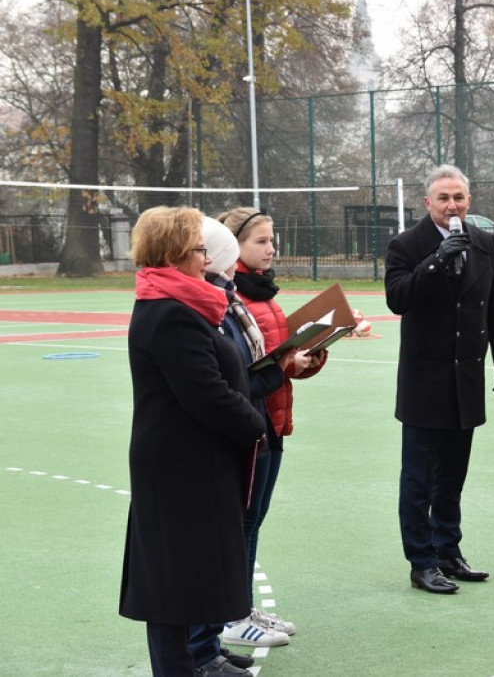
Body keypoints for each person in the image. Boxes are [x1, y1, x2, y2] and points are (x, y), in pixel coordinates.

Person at [119, 206, 266, 677]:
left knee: (186, 577)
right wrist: (255, 424)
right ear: (176, 253)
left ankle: (196, 660)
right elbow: (206, 394)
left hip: (191, 462)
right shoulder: (170, 313)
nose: (207, 260)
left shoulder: (179, 303)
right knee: (170, 586)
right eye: (200, 250)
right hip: (179, 468)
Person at [384, 164, 494, 594]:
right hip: (425, 381)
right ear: (427, 203)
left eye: (458, 197)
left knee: (452, 476)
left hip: (466, 379)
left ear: (469, 200)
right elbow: (397, 298)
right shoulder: (407, 245)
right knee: (419, 478)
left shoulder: (483, 243)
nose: (452, 205)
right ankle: (421, 561)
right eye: (443, 198)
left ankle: (448, 550)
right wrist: (435, 263)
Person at [188, 218, 297, 675]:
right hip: (247, 429)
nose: (270, 249)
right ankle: (214, 634)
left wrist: (295, 360)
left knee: (244, 528)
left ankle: (219, 630)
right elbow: (232, 379)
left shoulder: (241, 300)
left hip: (264, 421)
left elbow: (252, 367)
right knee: (228, 535)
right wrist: (277, 375)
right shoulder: (211, 308)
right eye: (260, 241)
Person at [217, 207, 326, 643]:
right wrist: (284, 366)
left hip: (274, 419)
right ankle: (231, 614)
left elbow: (280, 362)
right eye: (261, 240)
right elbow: (247, 369)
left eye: (272, 239)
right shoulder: (233, 297)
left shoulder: (265, 295)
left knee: (253, 519)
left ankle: (239, 605)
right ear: (234, 246)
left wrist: (312, 356)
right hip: (252, 421)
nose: (271, 247)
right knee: (241, 521)